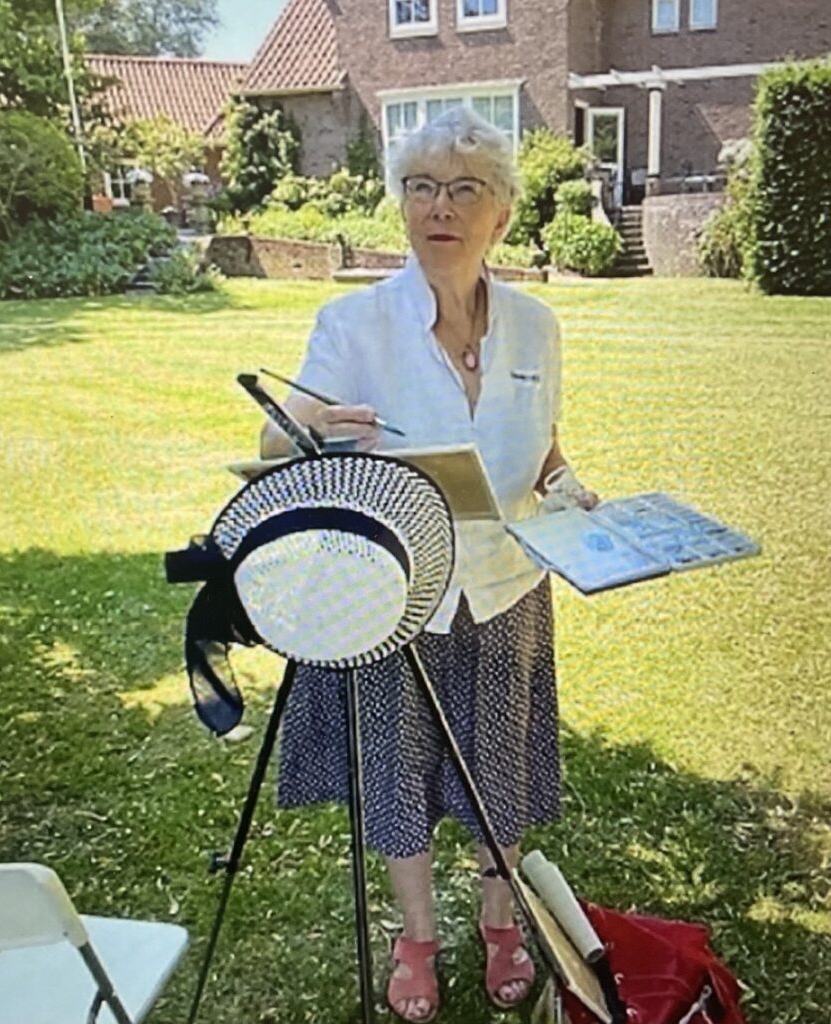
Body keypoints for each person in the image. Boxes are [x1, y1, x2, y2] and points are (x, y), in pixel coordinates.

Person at [259, 107, 598, 1023]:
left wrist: (570, 489)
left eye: (465, 189)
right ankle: (416, 937)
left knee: (501, 767)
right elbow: (275, 433)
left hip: (507, 584)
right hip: (393, 595)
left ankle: (498, 917)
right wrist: (308, 428)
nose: (438, 207)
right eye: (420, 187)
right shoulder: (355, 321)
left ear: (501, 214)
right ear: (400, 203)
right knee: (397, 768)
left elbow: (544, 445)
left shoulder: (535, 325)